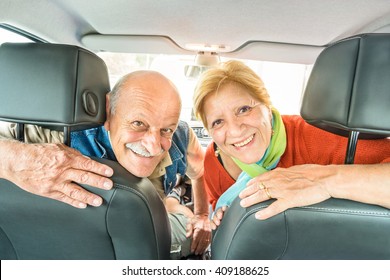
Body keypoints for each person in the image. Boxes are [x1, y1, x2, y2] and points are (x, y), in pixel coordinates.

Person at [0, 70, 211, 258]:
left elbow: (199, 172)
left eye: (166, 130)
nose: (154, 146)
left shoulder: (182, 136)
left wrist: (202, 215)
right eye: (138, 123)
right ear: (109, 110)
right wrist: (19, 159)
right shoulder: (58, 136)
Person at [192, 60, 390, 229]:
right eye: (218, 122)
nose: (235, 131)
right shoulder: (214, 159)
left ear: (267, 108)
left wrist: (322, 181)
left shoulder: (316, 138)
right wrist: (226, 218)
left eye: (244, 109)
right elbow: (218, 207)